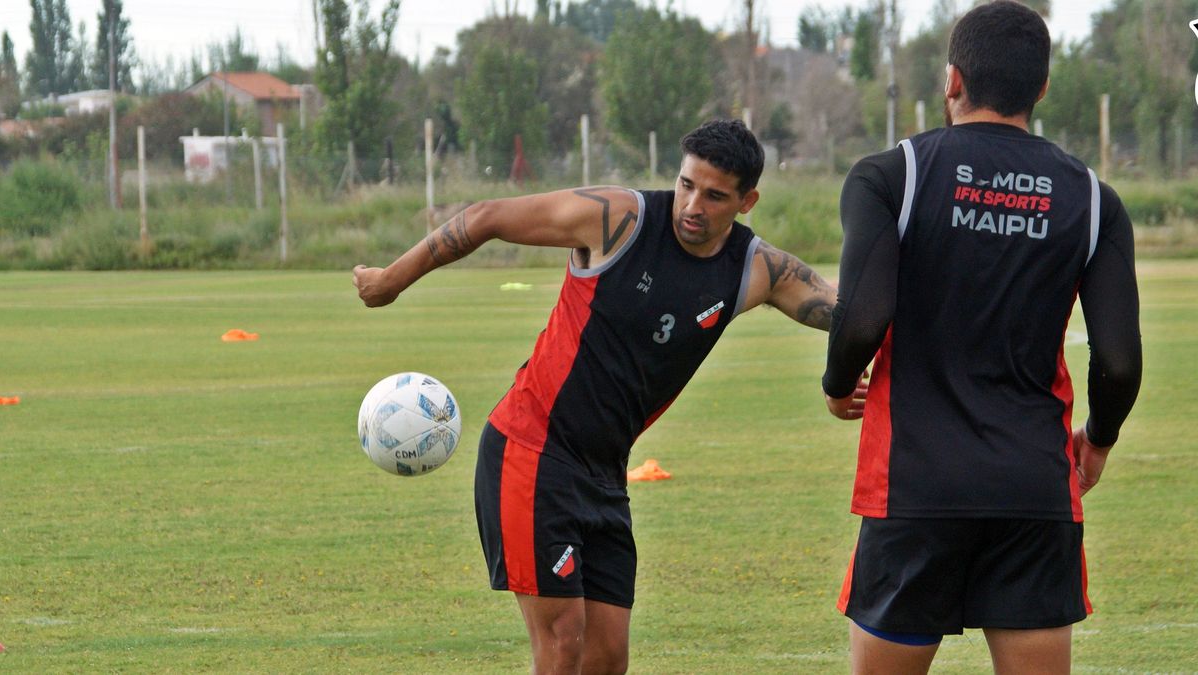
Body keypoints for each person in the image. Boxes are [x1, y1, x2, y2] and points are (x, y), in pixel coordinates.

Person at [354, 119, 837, 674]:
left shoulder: (754, 270)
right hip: (532, 452)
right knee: (563, 643)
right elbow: (487, 218)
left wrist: (852, 369)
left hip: (605, 476)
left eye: (715, 195)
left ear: (747, 201)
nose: (692, 205)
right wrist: (391, 279)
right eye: (686, 185)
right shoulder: (619, 219)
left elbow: (847, 311)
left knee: (606, 659)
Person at [822, 2, 1143, 673]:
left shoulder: (892, 175)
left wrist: (836, 383)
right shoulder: (1092, 199)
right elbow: (1117, 359)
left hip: (913, 485)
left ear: (952, 79)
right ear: (1043, 88)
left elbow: (861, 316)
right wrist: (1101, 437)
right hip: (1032, 486)